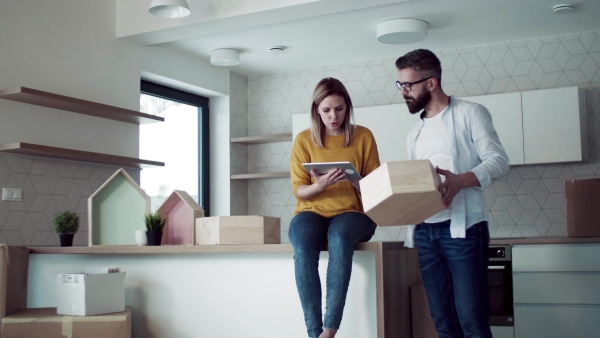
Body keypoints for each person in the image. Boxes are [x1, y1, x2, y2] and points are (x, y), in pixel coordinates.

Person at [395, 49, 510, 338]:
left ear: (431, 83)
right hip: (425, 232)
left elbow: (498, 161)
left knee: (472, 322)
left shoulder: (471, 113)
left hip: (463, 231)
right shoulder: (414, 132)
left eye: (408, 85)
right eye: (400, 85)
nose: (403, 92)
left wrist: (460, 181)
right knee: (443, 322)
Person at [288, 77, 380, 338]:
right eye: (326, 110)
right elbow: (299, 190)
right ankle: (313, 332)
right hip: (311, 211)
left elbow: (376, 190)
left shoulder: (363, 136)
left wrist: (353, 178)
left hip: (353, 213)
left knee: (339, 237)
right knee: (304, 247)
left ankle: (329, 330)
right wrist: (320, 185)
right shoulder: (304, 140)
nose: (333, 116)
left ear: (347, 107)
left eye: (339, 109)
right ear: (316, 109)